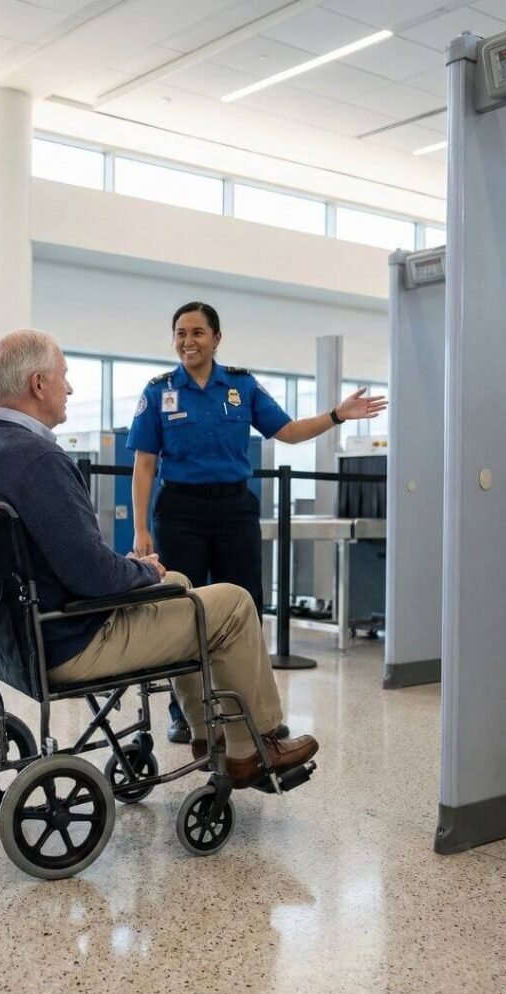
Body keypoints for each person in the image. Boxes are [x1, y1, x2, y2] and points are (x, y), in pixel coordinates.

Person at [0, 329, 319, 787]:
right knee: (233, 602)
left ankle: (209, 736)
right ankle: (256, 744)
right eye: (64, 377)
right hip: (72, 638)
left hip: (15, 637)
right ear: (38, 384)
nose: (69, 388)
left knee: (184, 582)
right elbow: (90, 573)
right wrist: (141, 569)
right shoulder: (39, 459)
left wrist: (140, 572)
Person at [128, 302, 387, 743]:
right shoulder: (158, 392)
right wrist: (140, 528)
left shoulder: (242, 387)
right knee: (180, 610)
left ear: (216, 338)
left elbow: (287, 431)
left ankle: (249, 709)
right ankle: (183, 712)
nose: (187, 341)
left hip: (234, 511)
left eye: (197, 333)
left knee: (245, 609)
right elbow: (145, 465)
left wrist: (338, 415)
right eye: (180, 333)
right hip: (180, 513)